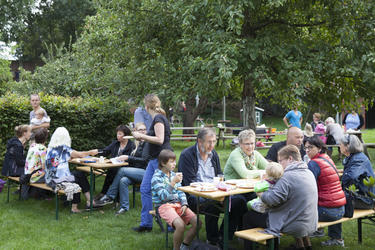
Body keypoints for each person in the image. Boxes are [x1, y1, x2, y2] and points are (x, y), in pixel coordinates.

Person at [242, 145, 318, 250]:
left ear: (290, 159)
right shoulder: (308, 172)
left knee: (248, 217)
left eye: (281, 161)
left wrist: (259, 192)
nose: (279, 164)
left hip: (294, 223)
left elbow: (271, 200)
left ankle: (269, 247)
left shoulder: (287, 177)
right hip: (310, 221)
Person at [178, 128, 226, 246]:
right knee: (213, 204)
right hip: (193, 195)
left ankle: (224, 237)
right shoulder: (187, 155)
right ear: (199, 141)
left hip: (214, 192)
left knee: (238, 201)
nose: (212, 145)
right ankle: (213, 240)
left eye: (214, 141)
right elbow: (189, 184)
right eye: (209, 142)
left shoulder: (213, 154)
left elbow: (219, 175)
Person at [132, 94, 172, 232]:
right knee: (145, 189)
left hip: (162, 160)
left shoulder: (159, 118)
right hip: (154, 159)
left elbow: (160, 139)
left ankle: (172, 224)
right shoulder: (157, 118)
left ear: (147, 106)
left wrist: (141, 136)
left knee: (166, 192)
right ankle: (146, 224)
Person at [45, 127, 102, 213]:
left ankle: (90, 201)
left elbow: (60, 159)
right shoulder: (64, 148)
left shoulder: (50, 148)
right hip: (58, 180)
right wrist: (90, 152)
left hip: (49, 179)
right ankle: (76, 207)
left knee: (78, 174)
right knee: (78, 178)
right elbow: (79, 154)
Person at [152, 149, 200, 250]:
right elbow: (163, 197)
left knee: (198, 222)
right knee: (180, 225)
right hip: (163, 206)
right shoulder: (156, 178)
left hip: (178, 204)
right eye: (171, 162)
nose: (174, 164)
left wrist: (184, 204)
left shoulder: (173, 175)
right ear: (163, 163)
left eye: (175, 161)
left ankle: (185, 245)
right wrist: (173, 182)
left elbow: (180, 191)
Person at [97, 122, 149, 215]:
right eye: (140, 130)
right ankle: (124, 207)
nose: (143, 131)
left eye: (144, 129)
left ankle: (110, 196)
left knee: (121, 170)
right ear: (135, 132)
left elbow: (145, 160)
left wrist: (128, 157)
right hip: (135, 171)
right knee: (123, 180)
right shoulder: (137, 143)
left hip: (146, 172)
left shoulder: (147, 143)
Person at [304, 136, 346, 247]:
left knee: (297, 210)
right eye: (306, 148)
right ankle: (337, 238)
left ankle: (303, 244)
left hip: (327, 212)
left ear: (319, 148)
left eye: (310, 147)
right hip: (341, 209)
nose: (307, 150)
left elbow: (307, 187)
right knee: (331, 198)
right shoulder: (327, 157)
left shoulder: (313, 163)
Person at [94, 125, 135, 200]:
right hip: (114, 166)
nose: (117, 136)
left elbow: (132, 159)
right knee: (112, 170)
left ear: (126, 135)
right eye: (117, 134)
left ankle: (106, 194)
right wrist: (96, 152)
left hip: (127, 167)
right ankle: (106, 194)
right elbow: (105, 151)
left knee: (113, 171)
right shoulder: (115, 143)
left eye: (120, 134)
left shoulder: (132, 146)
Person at [340, 134, 375, 209]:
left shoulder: (358, 159)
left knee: (333, 202)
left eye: (341, 144)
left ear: (347, 146)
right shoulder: (354, 157)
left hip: (365, 199)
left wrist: (337, 178)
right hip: (360, 196)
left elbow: (350, 177)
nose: (339, 146)